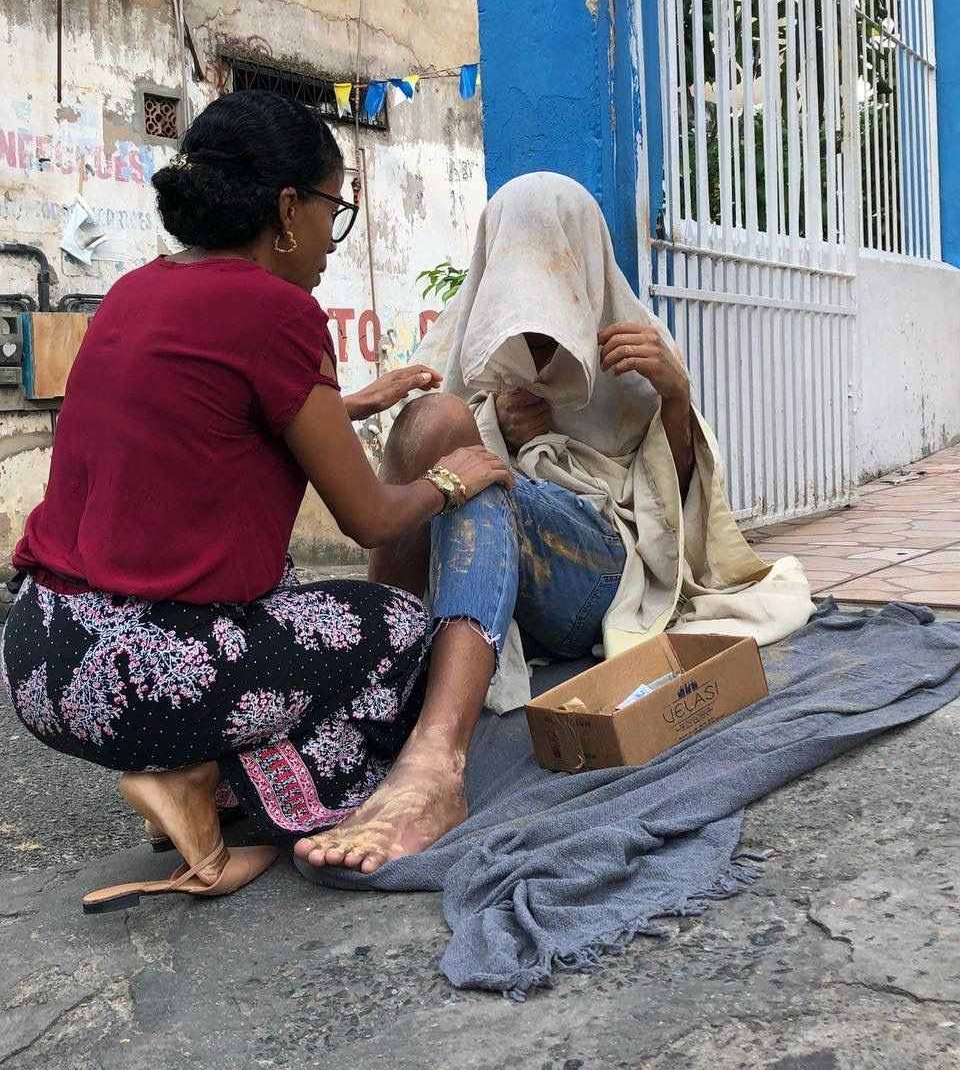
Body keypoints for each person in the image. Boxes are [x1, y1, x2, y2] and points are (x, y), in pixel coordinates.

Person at [0, 89, 511, 911]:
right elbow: (371, 520)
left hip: (39, 658)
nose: (330, 239)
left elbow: (209, 417)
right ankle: (207, 783)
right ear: (286, 209)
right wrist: (455, 479)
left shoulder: (135, 290)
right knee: (395, 632)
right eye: (333, 210)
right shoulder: (281, 314)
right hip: (145, 677)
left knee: (282, 602)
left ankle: (198, 786)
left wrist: (351, 403)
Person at [294, 172, 813, 877]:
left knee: (481, 482)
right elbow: (415, 471)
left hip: (600, 569)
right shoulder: (466, 340)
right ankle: (389, 669)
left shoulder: (634, 342)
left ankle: (435, 760)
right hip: (491, 589)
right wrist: (498, 426)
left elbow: (678, 512)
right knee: (436, 420)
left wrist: (674, 395)